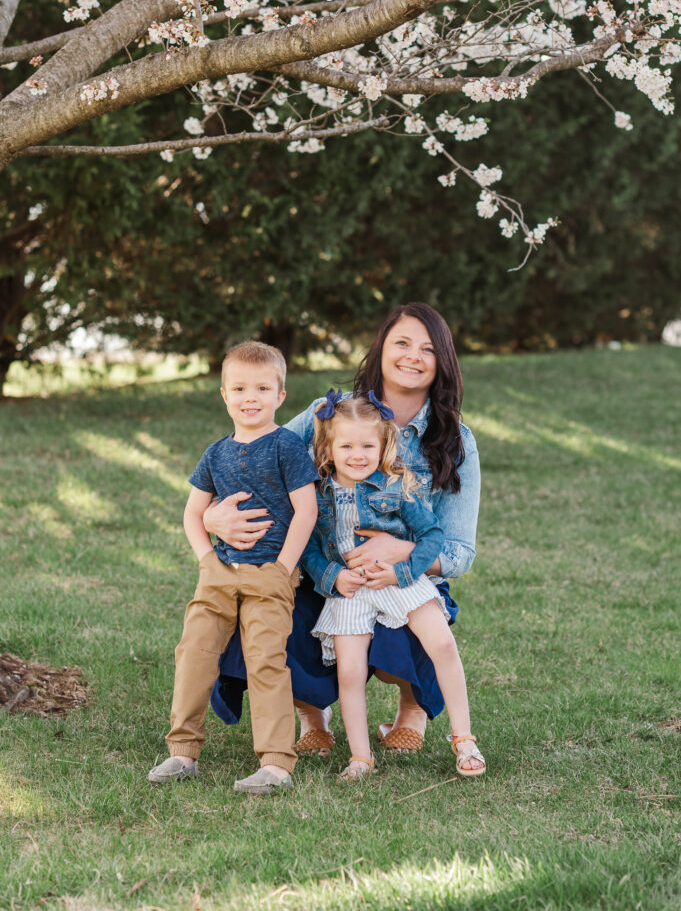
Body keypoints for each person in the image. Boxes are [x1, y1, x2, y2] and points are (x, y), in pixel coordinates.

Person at [206, 303, 482, 773]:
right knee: (277, 613)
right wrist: (213, 516)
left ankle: (411, 710)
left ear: (443, 362)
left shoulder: (454, 438)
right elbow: (250, 455)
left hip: (404, 574)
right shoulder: (327, 415)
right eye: (402, 343)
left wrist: (405, 555)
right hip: (325, 572)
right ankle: (313, 716)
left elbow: (458, 551)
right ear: (381, 348)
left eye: (428, 349)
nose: (413, 356)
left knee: (413, 624)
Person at [147, 341, 319, 795]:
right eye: (240, 387)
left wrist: (283, 568)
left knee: (266, 658)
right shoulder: (215, 453)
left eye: (262, 388)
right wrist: (207, 559)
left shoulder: (286, 447)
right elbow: (192, 512)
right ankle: (182, 752)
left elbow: (307, 511)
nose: (250, 397)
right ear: (224, 394)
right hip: (219, 574)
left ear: (280, 396)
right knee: (194, 653)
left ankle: (277, 762)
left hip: (270, 575)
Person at [305, 391, 485, 780]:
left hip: (399, 580)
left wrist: (402, 572)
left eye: (368, 445)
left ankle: (464, 738)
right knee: (349, 671)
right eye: (347, 445)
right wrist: (332, 576)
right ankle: (360, 757)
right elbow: (310, 550)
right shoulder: (318, 496)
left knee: (441, 643)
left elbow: (432, 535)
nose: (358, 454)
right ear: (329, 448)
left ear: (383, 445)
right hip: (350, 589)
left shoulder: (396, 486)